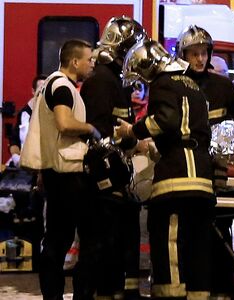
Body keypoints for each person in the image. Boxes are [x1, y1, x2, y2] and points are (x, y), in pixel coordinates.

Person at [116, 38, 214, 299]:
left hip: (176, 177)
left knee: (169, 242)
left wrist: (132, 130)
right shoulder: (192, 84)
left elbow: (166, 121)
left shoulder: (162, 83)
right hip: (202, 177)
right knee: (197, 246)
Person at [174, 25, 234, 299]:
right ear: (183, 55)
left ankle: (230, 285)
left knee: (231, 227)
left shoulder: (223, 87)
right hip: (190, 172)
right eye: (194, 54)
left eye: (203, 53)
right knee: (195, 234)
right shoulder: (174, 85)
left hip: (226, 173)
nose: (200, 59)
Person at [20, 39, 99, 300]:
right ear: (75, 61)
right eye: (89, 59)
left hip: (55, 173)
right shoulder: (64, 87)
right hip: (70, 174)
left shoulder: (50, 86)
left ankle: (52, 297)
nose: (92, 64)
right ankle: (81, 295)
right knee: (89, 238)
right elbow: (64, 124)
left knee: (56, 239)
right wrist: (90, 129)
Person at [78, 16, 145, 299]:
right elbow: (98, 132)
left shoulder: (113, 80)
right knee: (100, 246)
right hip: (103, 182)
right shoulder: (102, 81)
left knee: (119, 242)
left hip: (115, 179)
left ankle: (117, 292)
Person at [8, 75, 47, 167]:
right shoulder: (24, 114)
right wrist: (15, 157)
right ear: (33, 91)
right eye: (40, 90)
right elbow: (14, 140)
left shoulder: (53, 113)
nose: (43, 94)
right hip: (25, 166)